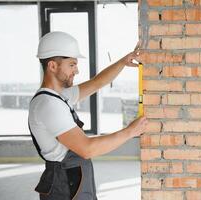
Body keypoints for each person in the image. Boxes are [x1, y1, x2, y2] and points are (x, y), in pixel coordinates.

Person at [28, 31, 148, 200]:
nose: (76, 70)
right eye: (72, 65)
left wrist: (122, 62)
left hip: (72, 179)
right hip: (64, 185)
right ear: (53, 66)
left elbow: (96, 83)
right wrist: (130, 132)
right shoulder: (49, 105)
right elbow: (87, 148)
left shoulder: (60, 96)